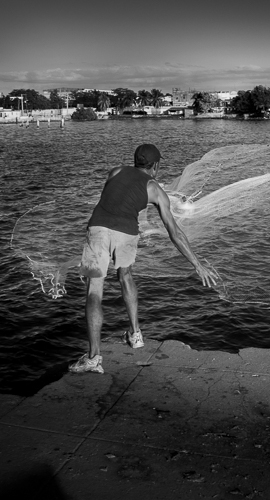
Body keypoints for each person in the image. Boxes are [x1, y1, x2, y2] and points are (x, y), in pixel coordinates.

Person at [69, 144, 218, 374]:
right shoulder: (155, 189)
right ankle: (135, 334)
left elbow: (114, 200)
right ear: (156, 166)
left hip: (98, 228)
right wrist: (197, 264)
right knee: (125, 275)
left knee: (94, 290)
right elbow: (174, 232)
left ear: (135, 160)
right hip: (126, 232)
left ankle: (94, 358)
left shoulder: (116, 171)